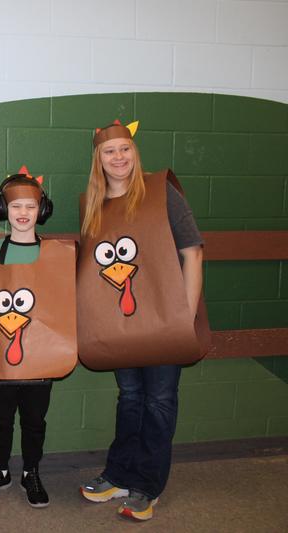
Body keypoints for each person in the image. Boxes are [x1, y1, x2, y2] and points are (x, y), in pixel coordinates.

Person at [78, 121, 203, 521]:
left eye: (125, 149)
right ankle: (119, 474)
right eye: (109, 151)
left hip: (165, 322)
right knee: (130, 398)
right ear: (98, 159)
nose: (119, 158)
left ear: (135, 153)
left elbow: (193, 253)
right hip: (121, 326)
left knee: (159, 401)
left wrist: (182, 317)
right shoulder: (92, 207)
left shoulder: (160, 193)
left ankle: (147, 486)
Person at [0, 171, 55, 508]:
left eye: (30, 206)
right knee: (0, 419)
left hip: (41, 356)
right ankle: (0, 470)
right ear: (2, 208)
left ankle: (30, 471)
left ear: (42, 210)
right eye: (15, 205)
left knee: (35, 420)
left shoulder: (54, 255)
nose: (22, 212)